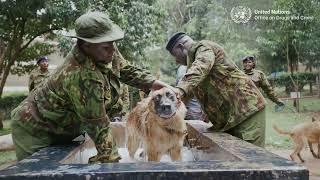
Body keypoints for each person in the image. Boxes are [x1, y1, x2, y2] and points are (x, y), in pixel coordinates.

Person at [11, 11, 168, 162]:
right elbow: (98, 125)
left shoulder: (105, 46)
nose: (113, 50)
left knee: (70, 164)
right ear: (86, 46)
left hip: (66, 125)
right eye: (107, 47)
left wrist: (151, 83)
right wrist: (111, 162)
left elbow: (124, 68)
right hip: (35, 127)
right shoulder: (79, 75)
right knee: (40, 172)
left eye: (113, 44)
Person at [166, 32, 267, 147]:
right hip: (229, 118)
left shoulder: (203, 47)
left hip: (247, 110)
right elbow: (188, 92)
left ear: (181, 46)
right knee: (233, 158)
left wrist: (179, 91)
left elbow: (200, 68)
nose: (176, 61)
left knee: (251, 158)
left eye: (175, 55)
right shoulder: (192, 65)